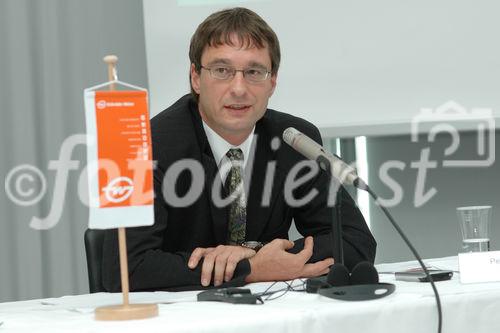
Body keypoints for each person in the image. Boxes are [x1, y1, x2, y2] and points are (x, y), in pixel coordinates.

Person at [102, 7, 376, 292]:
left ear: (272, 81)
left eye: (254, 72)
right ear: (196, 77)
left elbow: (356, 241)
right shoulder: (145, 145)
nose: (239, 88)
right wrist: (248, 270)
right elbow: (123, 269)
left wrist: (259, 260)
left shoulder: (293, 140)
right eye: (222, 71)